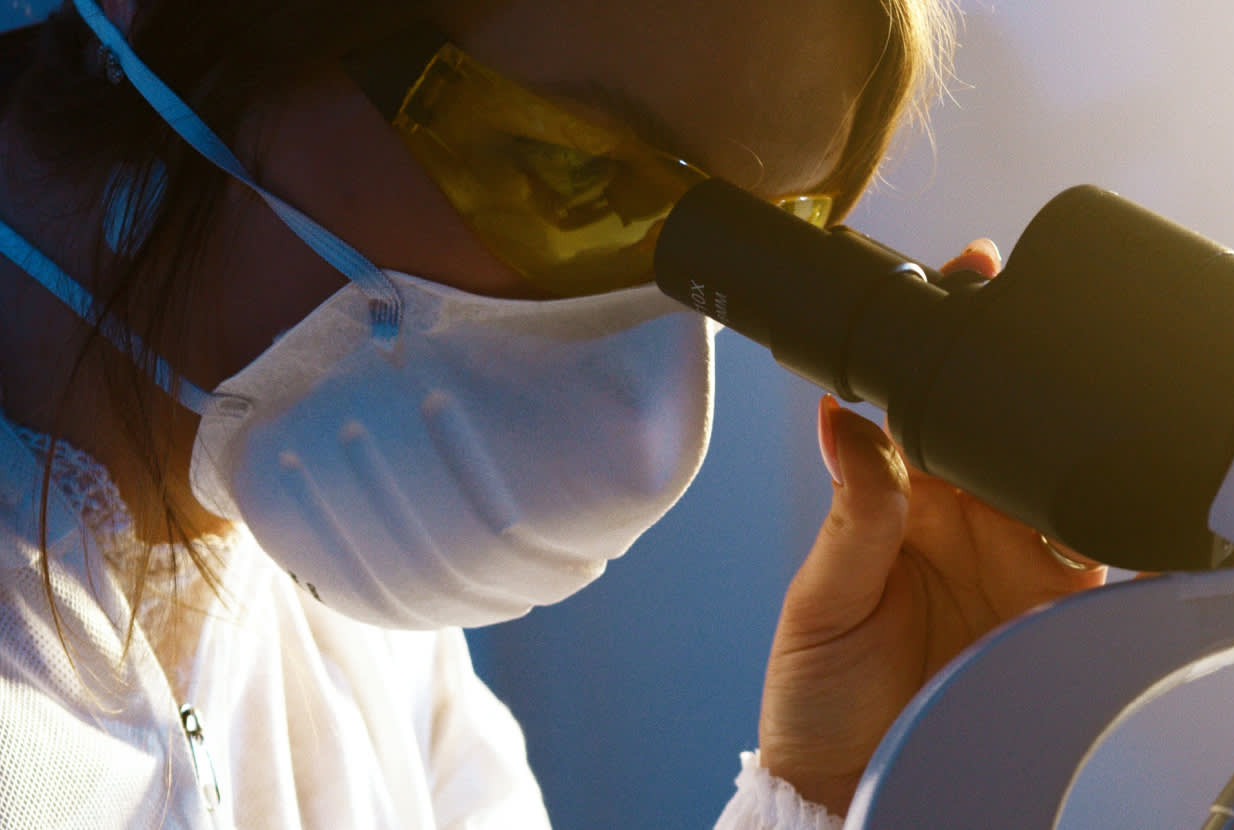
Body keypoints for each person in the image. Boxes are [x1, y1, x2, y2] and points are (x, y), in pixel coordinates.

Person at [0, 0, 1107, 826]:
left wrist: (843, 787)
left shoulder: (369, 663)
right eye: (573, 174)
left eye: (747, 259)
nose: (646, 369)